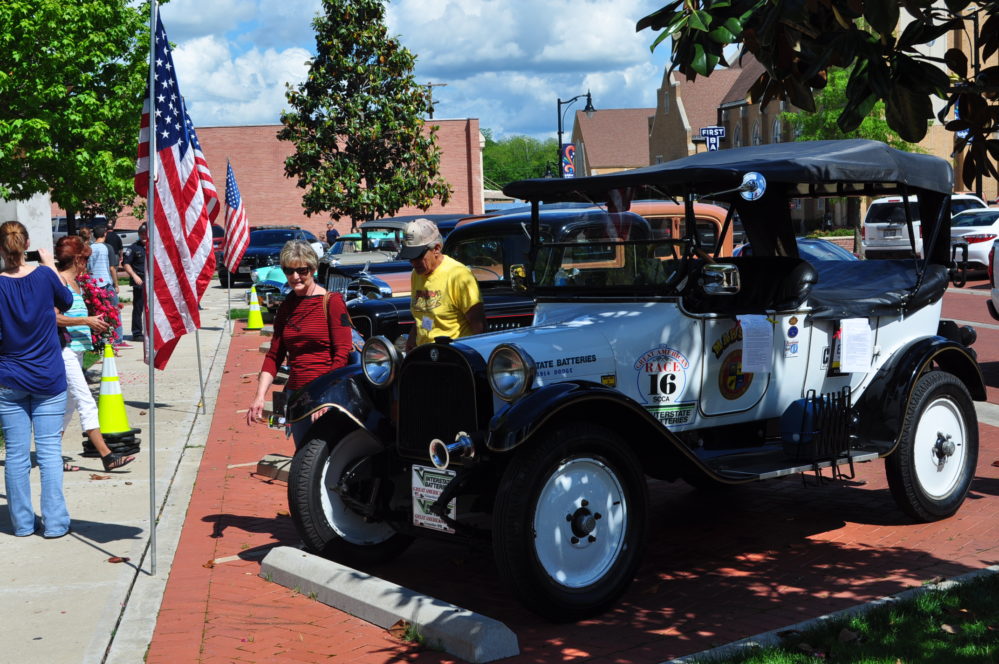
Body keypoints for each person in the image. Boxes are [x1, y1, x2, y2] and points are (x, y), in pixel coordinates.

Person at [0, 220, 74, 538]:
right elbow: (68, 300)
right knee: (48, 453)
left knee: (16, 455)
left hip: (9, 377)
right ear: (26, 242)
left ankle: (22, 523)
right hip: (47, 376)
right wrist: (48, 264)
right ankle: (55, 523)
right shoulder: (45, 275)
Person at [247, 240, 353, 446]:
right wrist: (259, 396)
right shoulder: (287, 305)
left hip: (325, 394)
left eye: (302, 270)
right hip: (296, 395)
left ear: (313, 269)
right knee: (302, 457)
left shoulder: (332, 302)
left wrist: (327, 397)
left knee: (321, 459)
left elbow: (343, 352)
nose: (295, 277)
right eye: (289, 271)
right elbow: (274, 355)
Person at [53, 236, 135, 472]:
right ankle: (107, 455)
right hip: (64, 351)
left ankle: (52, 455)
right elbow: (53, 316)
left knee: (68, 406)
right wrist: (85, 320)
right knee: (86, 401)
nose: (87, 264)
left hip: (77, 352)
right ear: (78, 259)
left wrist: (92, 323)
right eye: (86, 259)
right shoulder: (59, 283)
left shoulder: (75, 283)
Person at [397, 218, 484, 351]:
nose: (414, 263)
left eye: (419, 256)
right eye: (411, 258)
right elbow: (423, 313)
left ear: (436, 249)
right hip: (425, 354)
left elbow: (479, 325)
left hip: (453, 355)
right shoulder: (416, 274)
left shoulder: (458, 275)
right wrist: (412, 337)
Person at [88, 225, 127, 348]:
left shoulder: (89, 248)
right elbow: (112, 268)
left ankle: (99, 340)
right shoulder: (107, 248)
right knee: (115, 310)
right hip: (106, 283)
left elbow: (87, 267)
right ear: (105, 234)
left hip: (93, 285)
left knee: (97, 313)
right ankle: (118, 339)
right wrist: (116, 284)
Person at [121, 223, 147, 342]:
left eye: (145, 233)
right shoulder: (133, 248)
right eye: (141, 234)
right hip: (139, 281)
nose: (143, 236)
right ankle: (137, 333)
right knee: (138, 307)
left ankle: (153, 331)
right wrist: (134, 275)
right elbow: (126, 263)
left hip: (153, 281)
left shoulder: (156, 246)